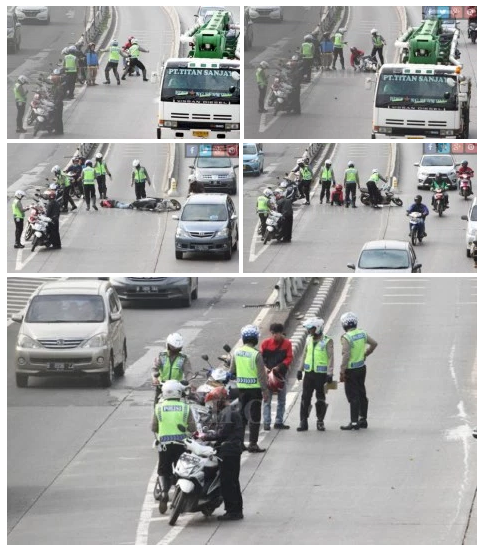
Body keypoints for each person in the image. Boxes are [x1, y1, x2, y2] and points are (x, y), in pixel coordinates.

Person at [199, 387, 244, 521]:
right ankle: (235, 510)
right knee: (232, 481)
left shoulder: (228, 413)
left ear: (220, 400)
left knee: (228, 482)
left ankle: (233, 511)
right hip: (232, 449)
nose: (212, 406)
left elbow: (222, 433)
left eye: (213, 402)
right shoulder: (228, 412)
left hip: (229, 451)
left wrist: (205, 437)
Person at [153, 380, 196, 515]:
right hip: (181, 445)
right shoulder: (185, 407)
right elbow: (192, 428)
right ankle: (179, 496)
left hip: (164, 445)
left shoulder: (158, 407)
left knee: (163, 470)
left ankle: (165, 492)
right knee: (181, 471)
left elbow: (154, 427)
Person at [230, 325, 269, 453]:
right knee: (254, 418)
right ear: (256, 339)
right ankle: (253, 444)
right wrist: (265, 391)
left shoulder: (236, 352)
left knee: (242, 417)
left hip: (241, 390)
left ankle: (240, 443)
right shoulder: (256, 354)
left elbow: (232, 371)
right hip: (255, 390)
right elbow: (261, 375)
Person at [339, 312, 378, 430]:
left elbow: (346, 355)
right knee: (362, 393)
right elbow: (374, 344)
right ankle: (363, 419)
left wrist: (342, 371)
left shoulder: (347, 337)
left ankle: (354, 422)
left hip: (351, 370)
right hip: (361, 368)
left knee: (352, 396)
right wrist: (366, 353)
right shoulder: (362, 333)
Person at [296, 318, 334, 432]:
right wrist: (300, 369)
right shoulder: (308, 339)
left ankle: (320, 421)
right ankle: (303, 421)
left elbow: (331, 357)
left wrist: (330, 373)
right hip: (309, 374)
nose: (309, 331)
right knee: (305, 398)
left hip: (321, 375)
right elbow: (304, 355)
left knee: (320, 398)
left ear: (317, 328)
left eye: (311, 328)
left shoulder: (327, 341)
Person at [261, 323, 293, 430]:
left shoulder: (287, 344)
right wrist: (265, 368)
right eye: (273, 333)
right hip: (268, 376)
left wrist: (279, 367)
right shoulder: (265, 344)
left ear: (281, 333)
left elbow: (289, 358)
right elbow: (260, 358)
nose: (275, 335)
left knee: (282, 400)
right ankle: (266, 422)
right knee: (267, 400)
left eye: (277, 333)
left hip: (280, 376)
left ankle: (279, 421)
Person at [151, 332, 193, 405]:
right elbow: (154, 369)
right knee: (157, 408)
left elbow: (188, 372)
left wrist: (190, 383)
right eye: (173, 349)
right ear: (168, 346)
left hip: (177, 387)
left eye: (178, 350)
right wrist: (155, 379)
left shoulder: (183, 358)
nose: (175, 352)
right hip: (162, 386)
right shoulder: (161, 356)